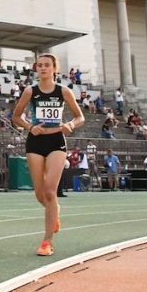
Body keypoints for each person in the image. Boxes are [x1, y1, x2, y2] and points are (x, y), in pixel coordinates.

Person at [12, 53, 85, 257]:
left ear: (54, 68)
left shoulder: (63, 91)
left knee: (51, 192)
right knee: (40, 195)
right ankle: (55, 213)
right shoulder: (30, 91)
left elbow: (80, 116)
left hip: (56, 142)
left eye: (47, 65)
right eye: (40, 65)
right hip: (35, 142)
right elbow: (16, 117)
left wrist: (70, 124)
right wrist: (29, 126)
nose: (43, 68)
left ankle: (47, 241)